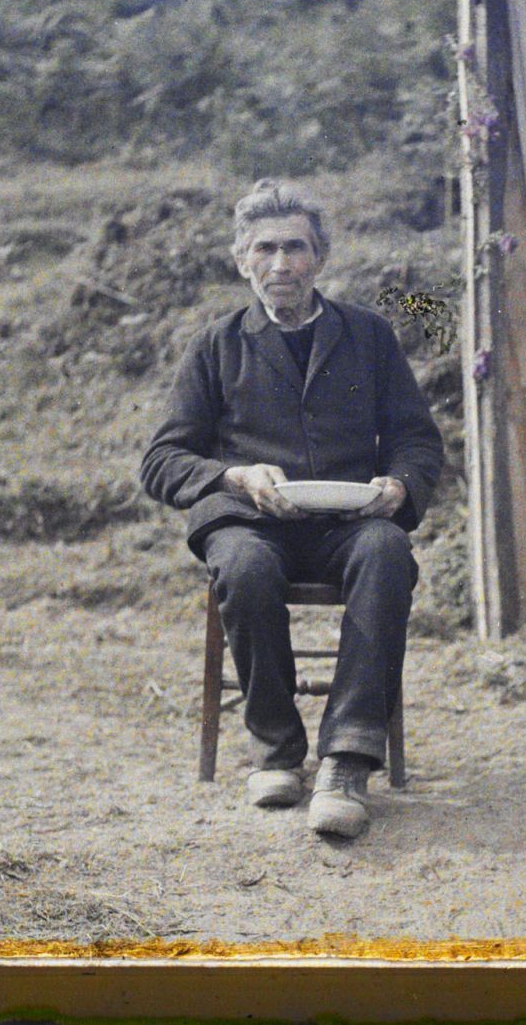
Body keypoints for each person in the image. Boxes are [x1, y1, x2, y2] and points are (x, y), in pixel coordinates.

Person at [140, 180, 444, 840]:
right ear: (241, 258)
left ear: (321, 258)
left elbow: (417, 440)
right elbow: (162, 460)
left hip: (347, 523)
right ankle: (276, 748)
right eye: (266, 249)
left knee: (388, 552)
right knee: (243, 569)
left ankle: (345, 760)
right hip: (251, 523)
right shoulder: (216, 345)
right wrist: (234, 475)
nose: (282, 264)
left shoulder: (368, 336)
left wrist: (397, 484)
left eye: (296, 248)